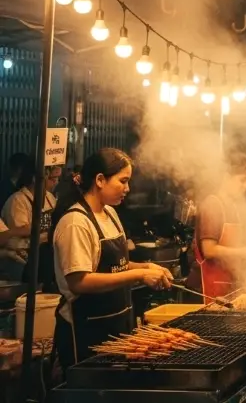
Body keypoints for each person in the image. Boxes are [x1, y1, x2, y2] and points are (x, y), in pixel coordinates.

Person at [51, 149, 172, 370]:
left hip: (117, 324)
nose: (128, 188)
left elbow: (116, 266)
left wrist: (146, 266)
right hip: (86, 331)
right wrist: (139, 275)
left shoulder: (110, 214)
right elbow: (79, 281)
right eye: (123, 181)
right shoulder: (75, 223)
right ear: (100, 180)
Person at [187, 153, 246, 299]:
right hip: (206, 288)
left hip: (227, 287)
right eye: (242, 180)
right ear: (226, 177)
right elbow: (209, 250)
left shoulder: (234, 207)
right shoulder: (212, 205)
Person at [1, 162, 59, 282]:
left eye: (58, 178)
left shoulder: (50, 197)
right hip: (22, 260)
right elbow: (22, 231)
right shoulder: (18, 200)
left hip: (45, 255)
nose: (56, 182)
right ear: (35, 178)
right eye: (52, 178)